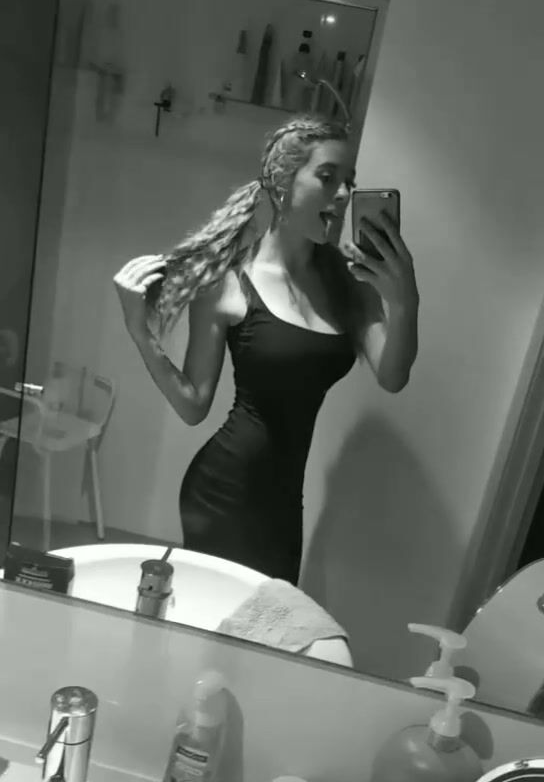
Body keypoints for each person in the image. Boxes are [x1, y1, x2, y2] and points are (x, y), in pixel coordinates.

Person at [114, 115, 419, 584]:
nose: (342, 194)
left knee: (270, 618)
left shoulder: (350, 281)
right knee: (218, 618)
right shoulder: (228, 284)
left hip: (284, 501)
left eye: (349, 181)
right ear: (281, 182)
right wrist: (139, 331)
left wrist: (405, 302)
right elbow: (194, 405)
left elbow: (393, 376)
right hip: (222, 491)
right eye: (327, 177)